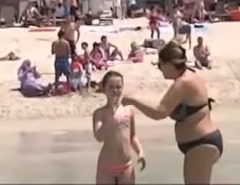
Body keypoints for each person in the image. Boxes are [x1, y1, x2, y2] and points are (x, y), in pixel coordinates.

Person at [121, 42, 222, 185]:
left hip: (201, 144)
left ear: (169, 63)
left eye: (160, 65)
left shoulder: (183, 83)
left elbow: (159, 113)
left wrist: (132, 101)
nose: (160, 69)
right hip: (200, 144)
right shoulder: (188, 77)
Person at [92, 71, 145, 184]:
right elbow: (99, 137)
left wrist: (140, 152)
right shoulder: (100, 113)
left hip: (126, 165)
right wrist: (112, 113)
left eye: (118, 87)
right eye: (111, 87)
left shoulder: (129, 110)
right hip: (106, 167)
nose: (115, 91)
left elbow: (132, 137)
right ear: (104, 89)